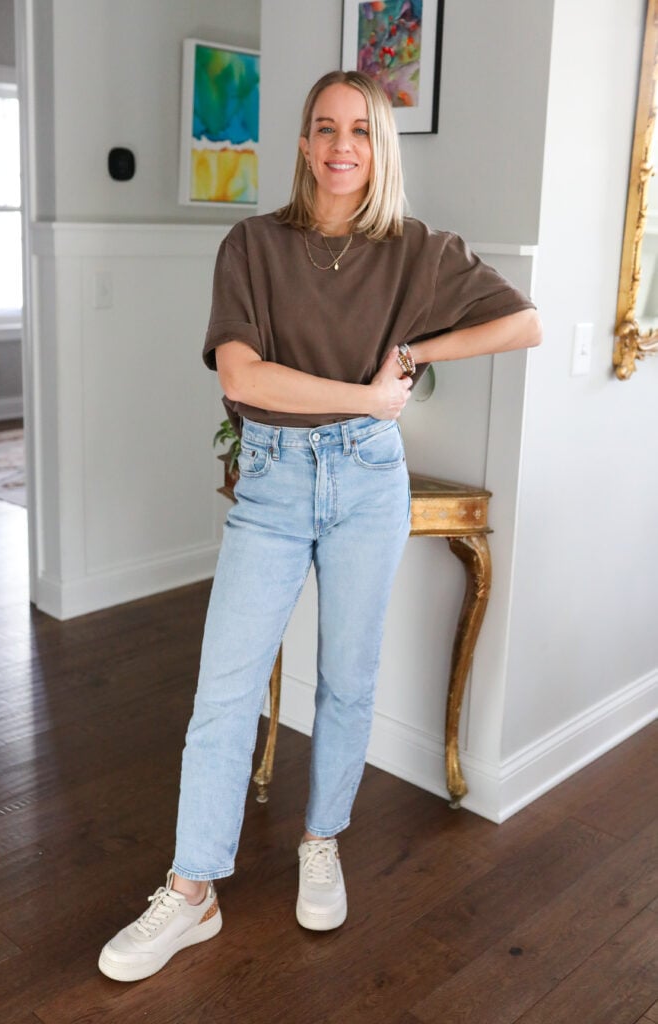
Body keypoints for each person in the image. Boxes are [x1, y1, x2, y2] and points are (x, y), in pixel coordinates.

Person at [98, 70, 542, 982]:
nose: (342, 145)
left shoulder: (416, 250)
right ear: (302, 145)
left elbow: (524, 323)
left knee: (346, 680)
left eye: (361, 130)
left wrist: (415, 350)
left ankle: (322, 841)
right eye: (324, 128)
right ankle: (191, 892)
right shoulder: (252, 245)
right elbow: (242, 379)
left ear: (381, 147)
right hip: (269, 479)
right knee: (224, 692)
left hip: (367, 482)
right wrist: (371, 397)